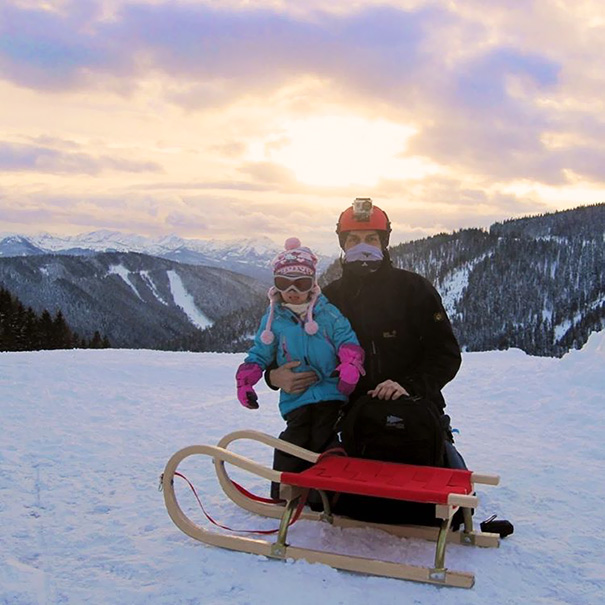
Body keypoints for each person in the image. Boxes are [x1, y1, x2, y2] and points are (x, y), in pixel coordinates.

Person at [268, 199, 465, 522]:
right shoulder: (329, 298)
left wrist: (408, 385)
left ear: (384, 242)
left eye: (371, 239)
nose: (362, 247)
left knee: (443, 490)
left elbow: (445, 354)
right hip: (345, 413)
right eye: (353, 240)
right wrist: (274, 376)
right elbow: (288, 343)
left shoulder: (414, 289)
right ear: (343, 245)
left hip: (412, 406)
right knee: (316, 490)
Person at [235, 237, 365, 499]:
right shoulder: (274, 320)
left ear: (312, 283)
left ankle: (331, 493)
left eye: (301, 283)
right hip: (296, 399)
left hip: (330, 392)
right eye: (283, 283)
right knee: (293, 440)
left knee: (323, 436)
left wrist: (350, 365)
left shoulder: (328, 314)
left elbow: (347, 340)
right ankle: (285, 493)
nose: (292, 290)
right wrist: (246, 380)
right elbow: (260, 352)